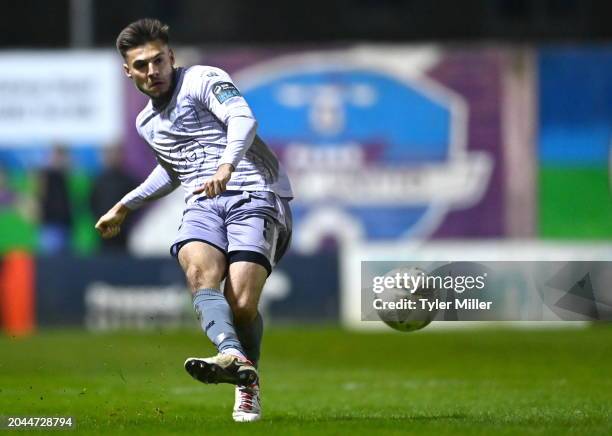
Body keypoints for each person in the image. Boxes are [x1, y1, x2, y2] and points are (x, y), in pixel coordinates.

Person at [94, 18, 293, 422]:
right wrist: (124, 205)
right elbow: (171, 170)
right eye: (142, 65)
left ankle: (244, 379)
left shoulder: (204, 79)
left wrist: (225, 165)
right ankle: (232, 356)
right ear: (127, 71)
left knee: (241, 304)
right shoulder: (146, 123)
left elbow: (243, 120)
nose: (152, 71)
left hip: (255, 192)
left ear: (171, 57)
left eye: (158, 61)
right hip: (202, 202)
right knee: (198, 271)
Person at [90, 145, 137, 252]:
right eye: (110, 154)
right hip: (104, 228)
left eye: (116, 154)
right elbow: (92, 202)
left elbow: (137, 203)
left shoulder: (128, 180)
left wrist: (125, 220)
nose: (113, 157)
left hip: (122, 229)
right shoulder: (99, 180)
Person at [37, 145, 73, 254]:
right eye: (56, 155)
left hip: (66, 224)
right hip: (49, 224)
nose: (58, 159)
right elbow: (38, 198)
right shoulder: (44, 175)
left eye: (61, 155)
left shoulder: (66, 176)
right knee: (51, 258)